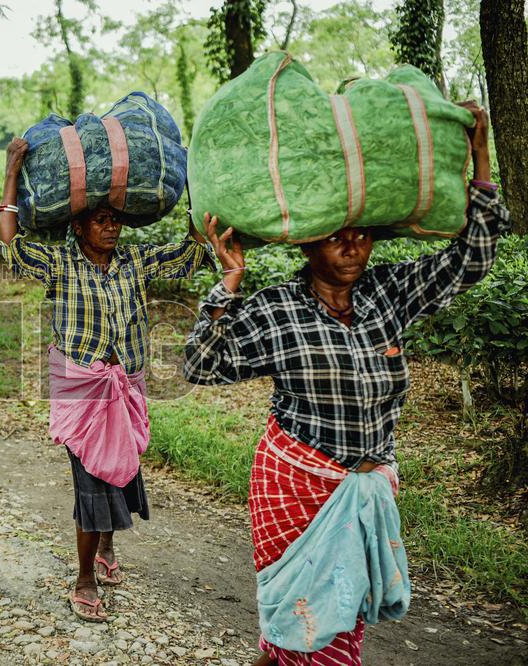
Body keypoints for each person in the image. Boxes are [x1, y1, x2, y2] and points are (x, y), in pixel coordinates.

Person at [183, 102, 509, 665]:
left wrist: (480, 157)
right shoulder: (278, 310)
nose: (353, 246)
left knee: (312, 630)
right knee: (315, 635)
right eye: (337, 236)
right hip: (296, 486)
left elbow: (471, 260)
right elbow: (201, 365)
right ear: (308, 242)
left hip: (365, 490)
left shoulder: (389, 293)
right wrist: (228, 282)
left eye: (361, 234)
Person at [0, 138, 212, 622]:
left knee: (120, 466)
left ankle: (108, 546)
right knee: (90, 481)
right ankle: (84, 578)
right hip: (81, 389)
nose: (111, 227)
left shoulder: (135, 262)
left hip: (125, 384)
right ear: (78, 226)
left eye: (115, 220)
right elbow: (10, 243)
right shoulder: (60, 264)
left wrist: (194, 184)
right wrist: (11, 169)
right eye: (100, 220)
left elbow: (189, 254)